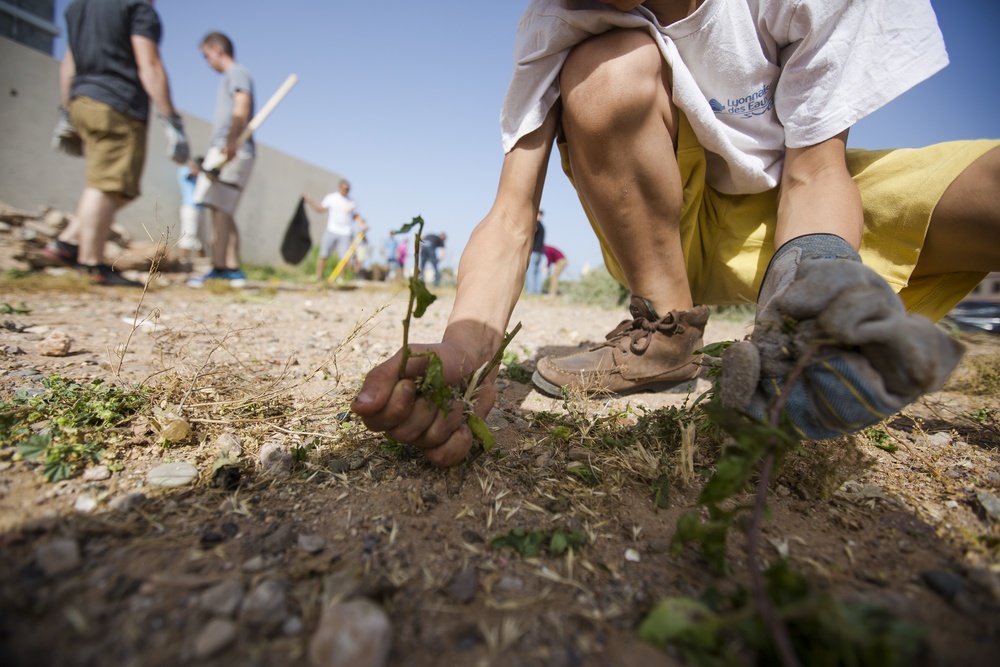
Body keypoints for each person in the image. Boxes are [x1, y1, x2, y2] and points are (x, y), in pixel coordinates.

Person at [352, 0, 999, 468]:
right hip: (667, 228)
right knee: (606, 70)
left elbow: (814, 173)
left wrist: (818, 277)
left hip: (793, 218)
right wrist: (468, 345)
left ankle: (802, 317)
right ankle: (665, 334)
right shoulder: (557, 18)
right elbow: (510, 214)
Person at [47, 0, 189, 287]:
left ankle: (69, 242)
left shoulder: (80, 7)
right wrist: (172, 119)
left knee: (118, 186)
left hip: (82, 99)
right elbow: (149, 63)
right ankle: (92, 264)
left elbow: (69, 63)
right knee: (108, 184)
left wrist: (66, 111)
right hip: (117, 102)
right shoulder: (136, 7)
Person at [187, 32, 255, 289]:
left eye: (206, 55)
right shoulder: (231, 76)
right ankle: (229, 267)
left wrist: (231, 140)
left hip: (233, 147)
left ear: (217, 49)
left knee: (220, 206)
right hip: (229, 145)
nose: (206, 62)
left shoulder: (236, 72)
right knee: (221, 207)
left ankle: (222, 268)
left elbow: (242, 104)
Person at [303, 179, 368, 281]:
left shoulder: (352, 202)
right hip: (331, 230)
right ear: (339, 188)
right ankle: (318, 276)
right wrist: (311, 201)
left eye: (348, 189)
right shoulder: (331, 198)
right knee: (323, 254)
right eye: (344, 188)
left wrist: (363, 225)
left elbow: (356, 216)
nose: (346, 191)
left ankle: (340, 279)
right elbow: (320, 209)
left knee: (343, 257)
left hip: (346, 233)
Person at [176, 157, 207, 270]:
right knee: (188, 234)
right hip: (190, 207)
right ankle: (182, 264)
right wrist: (197, 166)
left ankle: (203, 265)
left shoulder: (200, 176)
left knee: (201, 238)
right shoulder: (184, 170)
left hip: (201, 208)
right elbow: (192, 173)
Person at [525, 210, 546, 294]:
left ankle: (530, 292)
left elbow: (532, 231)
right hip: (539, 252)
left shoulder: (537, 224)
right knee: (537, 272)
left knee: (531, 271)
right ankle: (537, 291)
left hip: (534, 252)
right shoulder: (543, 227)